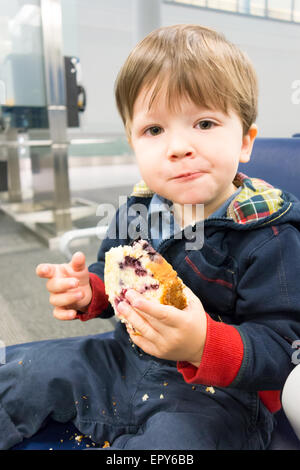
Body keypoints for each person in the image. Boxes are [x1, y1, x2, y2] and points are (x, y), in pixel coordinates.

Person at [1, 23, 300, 450]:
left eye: (204, 122)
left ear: (245, 142)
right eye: (154, 130)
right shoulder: (137, 211)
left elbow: (284, 346)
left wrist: (203, 343)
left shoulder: (269, 234)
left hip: (220, 394)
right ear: (133, 144)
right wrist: (90, 293)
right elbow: (112, 285)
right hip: (123, 359)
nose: (178, 146)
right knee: (22, 372)